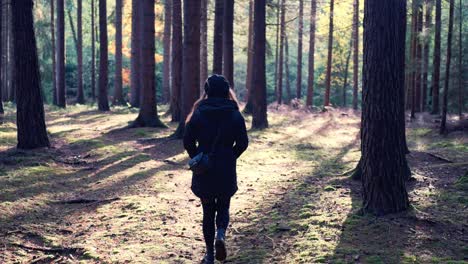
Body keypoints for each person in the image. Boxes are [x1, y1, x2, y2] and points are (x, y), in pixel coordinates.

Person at [183, 74, 249, 264]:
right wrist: (230, 156)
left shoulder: (198, 112)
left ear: (207, 91)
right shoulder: (235, 113)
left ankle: (210, 256)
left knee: (207, 211)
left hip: (205, 169)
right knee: (224, 205)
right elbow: (243, 143)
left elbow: (188, 141)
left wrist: (198, 157)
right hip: (226, 168)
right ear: (226, 91)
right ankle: (221, 234)